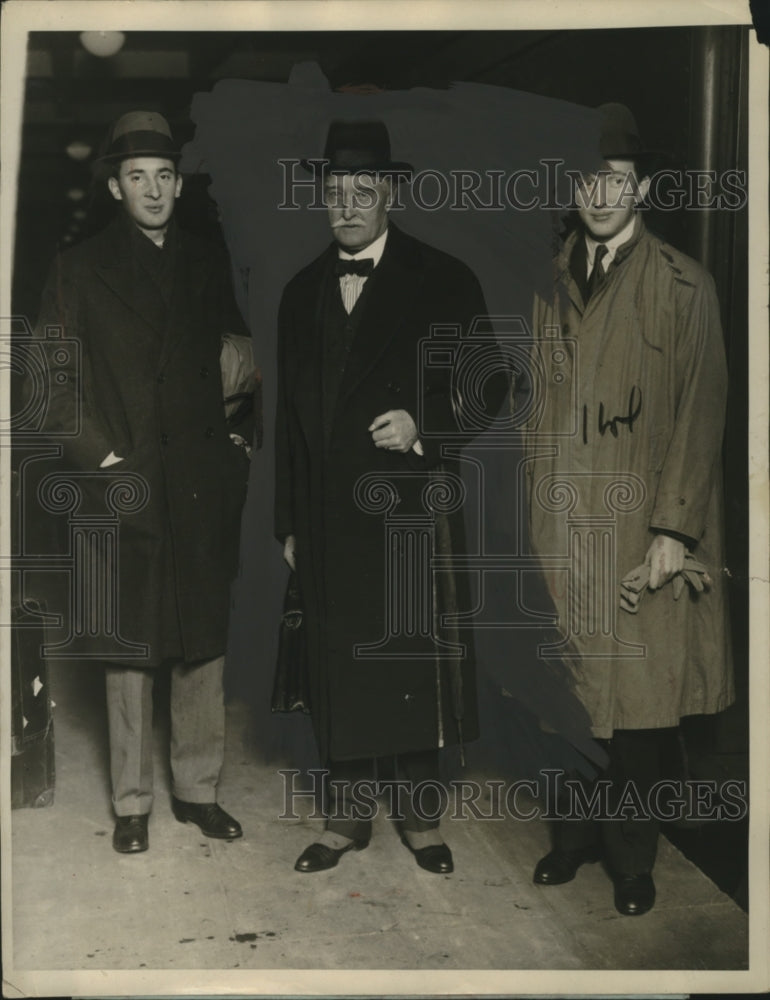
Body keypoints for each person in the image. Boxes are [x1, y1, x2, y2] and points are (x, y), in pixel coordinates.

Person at [523, 103, 733, 915]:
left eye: (614, 178)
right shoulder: (539, 282)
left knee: (640, 715)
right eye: (585, 179)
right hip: (559, 529)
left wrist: (675, 533)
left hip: (644, 534)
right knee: (569, 702)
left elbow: (703, 412)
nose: (599, 193)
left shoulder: (685, 285)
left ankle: (634, 861)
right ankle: (572, 843)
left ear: (640, 185)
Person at [275, 120, 500, 875]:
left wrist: (422, 426)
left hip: (409, 509)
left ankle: (421, 821)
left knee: (409, 661)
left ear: (391, 193)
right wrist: (287, 522)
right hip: (327, 516)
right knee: (338, 664)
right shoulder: (300, 291)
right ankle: (344, 823)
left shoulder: (445, 277)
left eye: (362, 191)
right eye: (335, 192)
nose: (347, 205)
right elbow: (286, 421)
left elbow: (492, 384)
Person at [34, 111, 252, 853]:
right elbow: (51, 386)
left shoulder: (206, 260)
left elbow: (239, 359)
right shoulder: (77, 268)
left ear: (179, 185)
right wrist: (101, 462)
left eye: (164, 177)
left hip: (196, 479)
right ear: (116, 188)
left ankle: (198, 791)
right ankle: (131, 803)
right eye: (137, 178)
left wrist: (236, 441)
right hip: (120, 479)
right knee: (130, 646)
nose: (153, 190)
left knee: (201, 639)